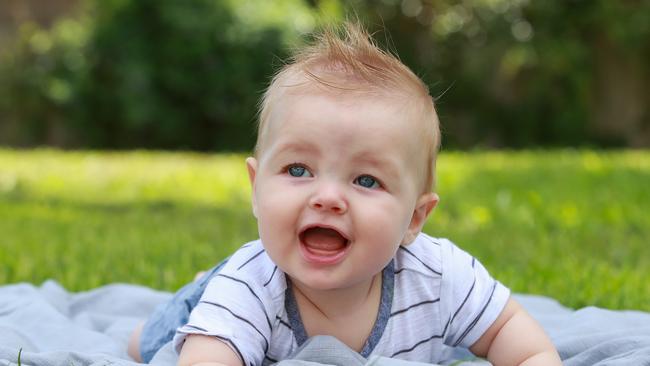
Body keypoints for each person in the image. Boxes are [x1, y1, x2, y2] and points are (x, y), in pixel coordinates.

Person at [128, 22, 562, 366]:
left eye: (366, 181)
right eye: (298, 170)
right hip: (207, 310)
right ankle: (200, 288)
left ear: (414, 219)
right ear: (256, 190)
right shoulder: (250, 287)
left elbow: (514, 336)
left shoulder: (442, 277)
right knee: (144, 346)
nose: (328, 197)